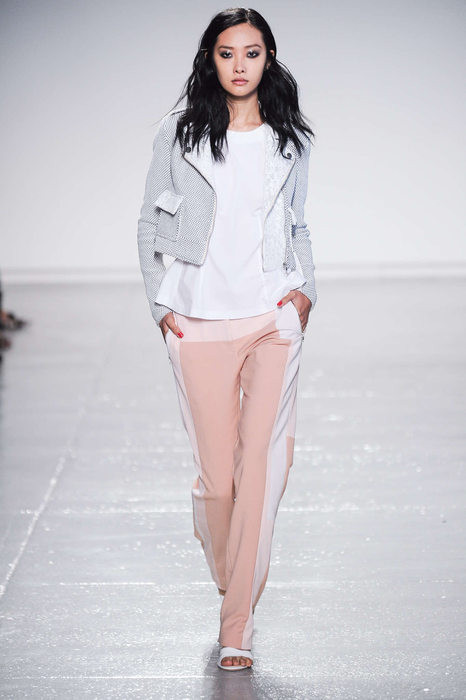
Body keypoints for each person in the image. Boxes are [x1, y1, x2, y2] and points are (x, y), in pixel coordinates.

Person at [137, 7, 317, 671]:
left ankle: (236, 620)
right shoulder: (180, 133)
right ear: (210, 59)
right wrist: (161, 305)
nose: (240, 65)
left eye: (252, 52)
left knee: (260, 471)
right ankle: (230, 570)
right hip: (199, 321)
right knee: (219, 484)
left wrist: (305, 292)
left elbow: (298, 223)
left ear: (269, 58)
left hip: (272, 320)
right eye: (226, 53)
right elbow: (148, 223)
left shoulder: (289, 138)